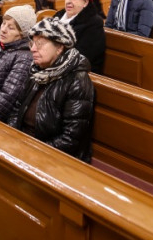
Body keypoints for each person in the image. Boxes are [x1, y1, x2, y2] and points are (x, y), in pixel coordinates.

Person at [6, 18, 96, 162]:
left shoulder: (77, 81)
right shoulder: (37, 70)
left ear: (59, 47)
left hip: (53, 156)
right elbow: (16, 109)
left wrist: (31, 151)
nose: (33, 49)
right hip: (25, 144)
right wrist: (13, 137)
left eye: (40, 44)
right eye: (32, 43)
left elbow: (70, 139)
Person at [54, 0, 106, 73]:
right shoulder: (58, 16)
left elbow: (82, 58)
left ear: (85, 2)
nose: (68, 1)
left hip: (80, 74)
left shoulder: (93, 23)